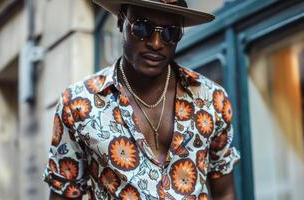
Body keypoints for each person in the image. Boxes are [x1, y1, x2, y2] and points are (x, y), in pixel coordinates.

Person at [43, 0, 240, 199]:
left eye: (170, 32)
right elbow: (64, 193)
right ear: (121, 21)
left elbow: (225, 191)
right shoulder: (78, 103)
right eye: (143, 27)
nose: (156, 43)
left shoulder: (211, 99)